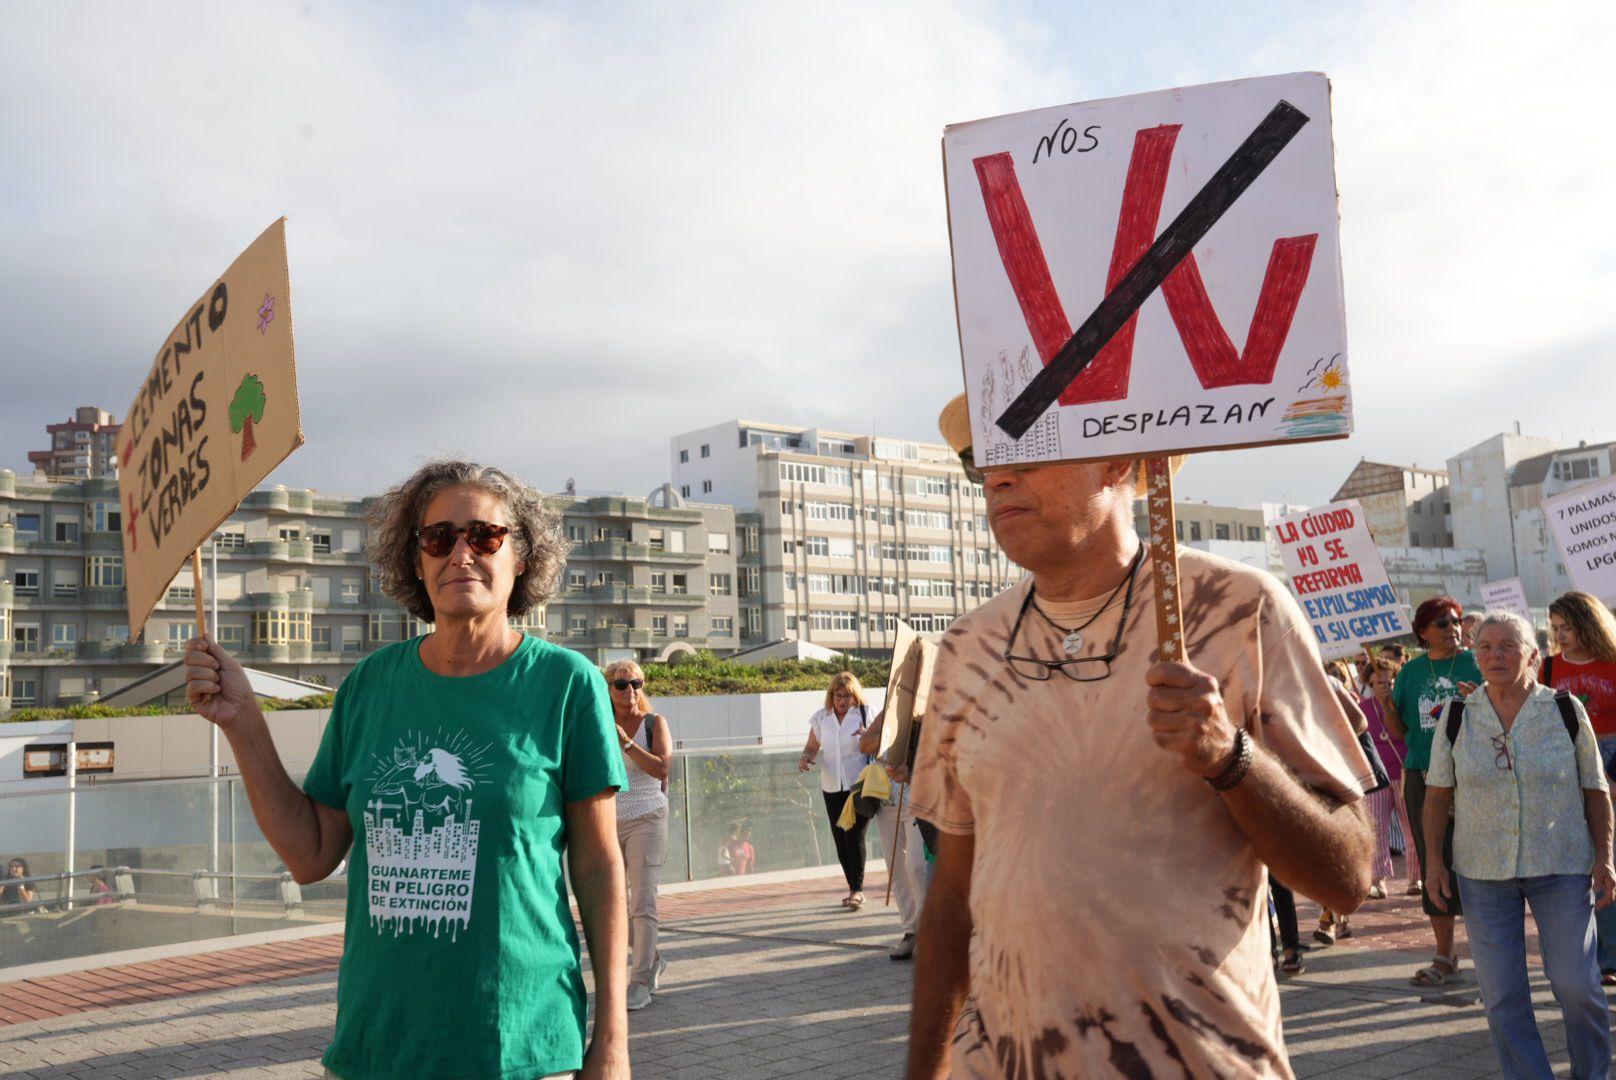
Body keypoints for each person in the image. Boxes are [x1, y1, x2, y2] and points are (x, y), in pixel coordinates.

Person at [904, 396, 1374, 1079]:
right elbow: (951, 895)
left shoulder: (1240, 609)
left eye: (1025, 453)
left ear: (1117, 457)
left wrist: (1231, 760)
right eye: (983, 463)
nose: (997, 479)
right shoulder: (963, 651)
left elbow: (1350, 874)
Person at [183, 461, 629, 1080]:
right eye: (438, 538)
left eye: (485, 536)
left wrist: (612, 1040)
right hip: (381, 1045)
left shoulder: (565, 685)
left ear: (522, 557)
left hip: (520, 1045)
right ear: (416, 560)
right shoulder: (369, 685)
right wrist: (244, 724)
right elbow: (311, 855)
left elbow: (599, 865)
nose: (461, 554)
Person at [1425, 612, 1616, 1080]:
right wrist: (1433, 860)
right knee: (1502, 994)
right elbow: (1436, 795)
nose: (1496, 655)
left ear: (1533, 654)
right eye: (1486, 646)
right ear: (1475, 656)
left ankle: (1591, 1073)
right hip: (1482, 871)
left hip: (1562, 863)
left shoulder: (1566, 712)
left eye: (1508, 645)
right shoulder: (1457, 717)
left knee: (1577, 984)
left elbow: (1596, 789)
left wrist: (1605, 856)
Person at [1376, 595, 1480, 986]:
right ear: (1423, 632)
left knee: (1477, 862)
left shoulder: (1475, 663)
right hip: (1422, 776)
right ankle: (1445, 954)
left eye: (1455, 621)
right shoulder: (1410, 673)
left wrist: (1480, 704)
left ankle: (1491, 952)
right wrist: (1387, 707)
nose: (1452, 628)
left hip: (1472, 777)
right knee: (1434, 860)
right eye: (1442, 622)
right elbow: (1402, 733)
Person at [1543, 589, 1616, 983]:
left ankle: (1610, 955)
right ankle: (1594, 955)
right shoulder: (1548, 669)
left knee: (1609, 860)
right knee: (1583, 862)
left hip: (1611, 755)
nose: (1560, 635)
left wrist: (1612, 777)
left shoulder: (1612, 664)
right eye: (1554, 627)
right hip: (1567, 763)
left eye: (1567, 626)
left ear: (1588, 623)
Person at [604, 658, 672, 1012]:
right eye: (621, 684)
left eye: (637, 683)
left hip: (647, 817)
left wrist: (628, 744)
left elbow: (663, 767)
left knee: (642, 903)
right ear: (609, 689)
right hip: (606, 821)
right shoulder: (597, 722)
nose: (630, 690)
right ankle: (654, 956)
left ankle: (640, 978)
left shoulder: (653, 723)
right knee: (610, 904)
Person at [860, 708, 936, 960]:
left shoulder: (929, 712)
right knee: (896, 868)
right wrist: (890, 736)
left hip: (916, 794)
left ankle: (928, 931)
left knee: (915, 864)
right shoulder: (890, 710)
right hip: (887, 799)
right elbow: (865, 743)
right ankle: (910, 930)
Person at [798, 672, 873, 910]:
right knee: (841, 840)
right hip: (831, 786)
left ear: (854, 696)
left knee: (854, 836)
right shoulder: (822, 718)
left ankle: (857, 891)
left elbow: (882, 739)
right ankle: (853, 886)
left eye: (847, 696)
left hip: (857, 785)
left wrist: (868, 736)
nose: (842, 700)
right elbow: (812, 747)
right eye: (838, 695)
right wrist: (806, 758)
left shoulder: (864, 714)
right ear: (831, 696)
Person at [1362, 656, 1421, 896]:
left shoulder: (1406, 704)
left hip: (1404, 772)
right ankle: (1377, 880)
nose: (1384, 685)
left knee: (1412, 829)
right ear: (1369, 683)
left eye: (1389, 681)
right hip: (1377, 778)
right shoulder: (1363, 708)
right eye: (1378, 682)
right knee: (1376, 829)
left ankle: (1416, 879)